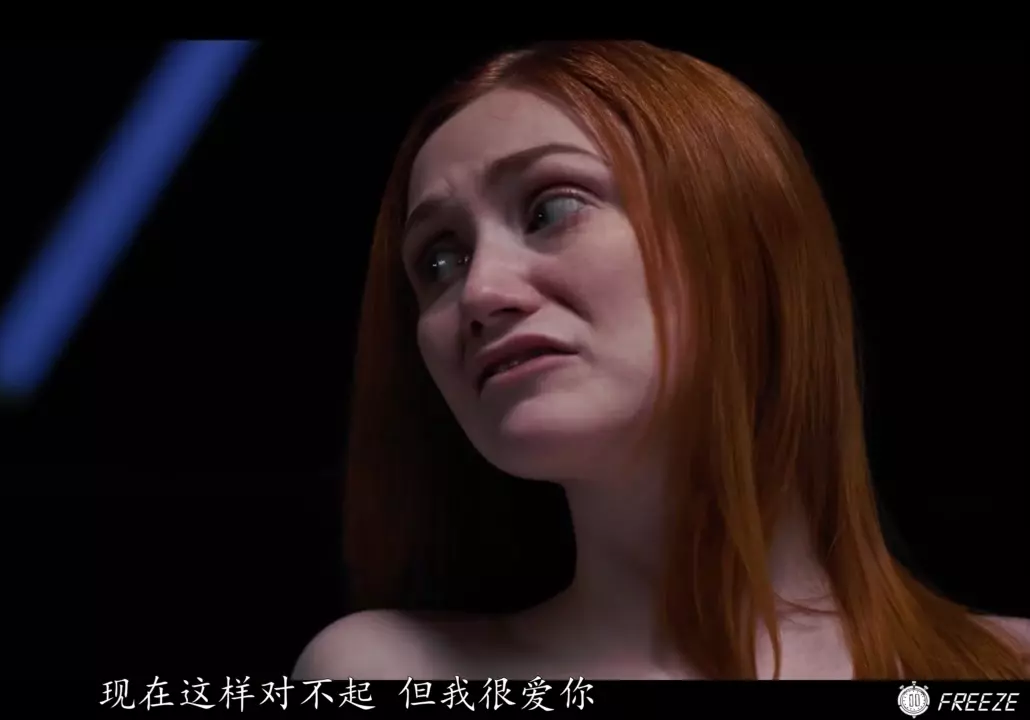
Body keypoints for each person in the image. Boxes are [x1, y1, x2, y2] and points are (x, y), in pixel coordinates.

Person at [294, 40, 1029, 680]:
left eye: (551, 208)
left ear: (744, 241)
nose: (479, 291)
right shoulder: (388, 673)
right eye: (439, 260)